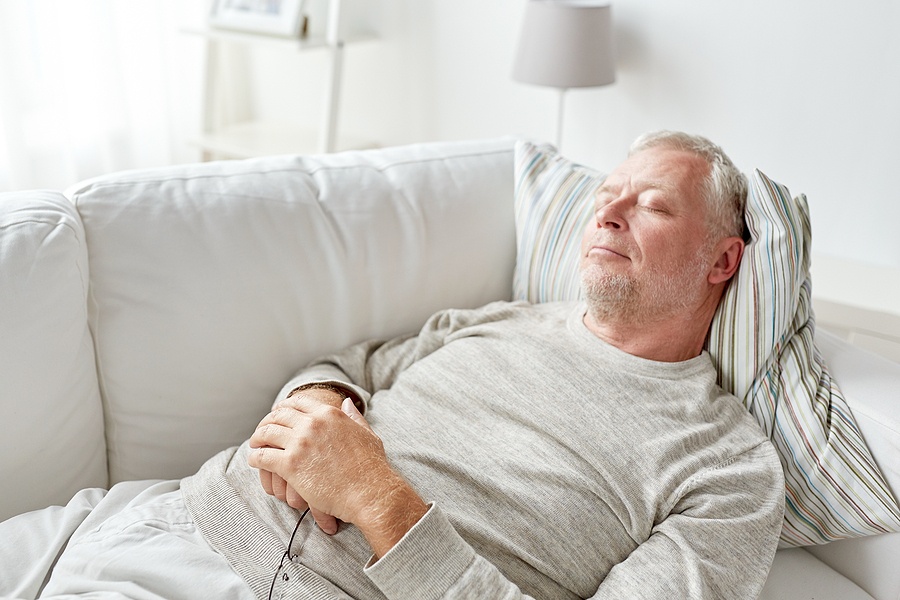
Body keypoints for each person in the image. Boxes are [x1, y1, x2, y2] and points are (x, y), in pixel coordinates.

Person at [1, 131, 784, 599]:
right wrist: (315, 402)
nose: (608, 211)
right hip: (161, 514)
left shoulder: (726, 470)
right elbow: (354, 364)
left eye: (652, 205)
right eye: (607, 193)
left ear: (723, 259)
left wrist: (380, 502)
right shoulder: (506, 320)